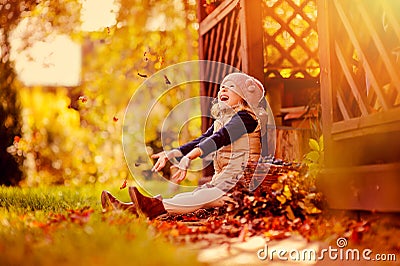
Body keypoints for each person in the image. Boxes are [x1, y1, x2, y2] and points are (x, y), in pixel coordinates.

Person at [101, 72, 268, 219]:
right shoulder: (222, 121)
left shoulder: (246, 119)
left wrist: (190, 157)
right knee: (195, 196)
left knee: (202, 197)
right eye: (222, 87)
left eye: (230, 87)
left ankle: (147, 207)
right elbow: (201, 140)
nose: (222, 90)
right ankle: (127, 209)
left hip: (242, 188)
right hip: (225, 182)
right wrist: (173, 153)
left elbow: (219, 139)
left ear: (244, 96)